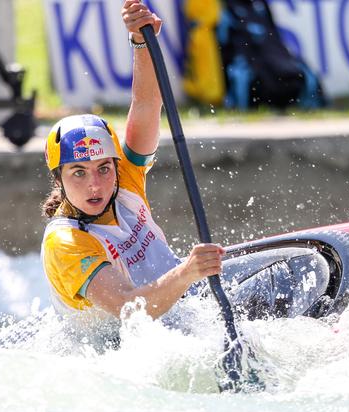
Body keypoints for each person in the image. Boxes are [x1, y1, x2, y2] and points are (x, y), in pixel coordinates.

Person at [40, 0, 226, 320]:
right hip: (116, 349)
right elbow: (128, 310)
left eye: (103, 168)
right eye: (78, 173)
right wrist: (186, 273)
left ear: (116, 165)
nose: (95, 184)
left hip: (181, 307)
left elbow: (146, 104)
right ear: (58, 179)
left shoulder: (124, 178)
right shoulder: (66, 242)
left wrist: (141, 42)